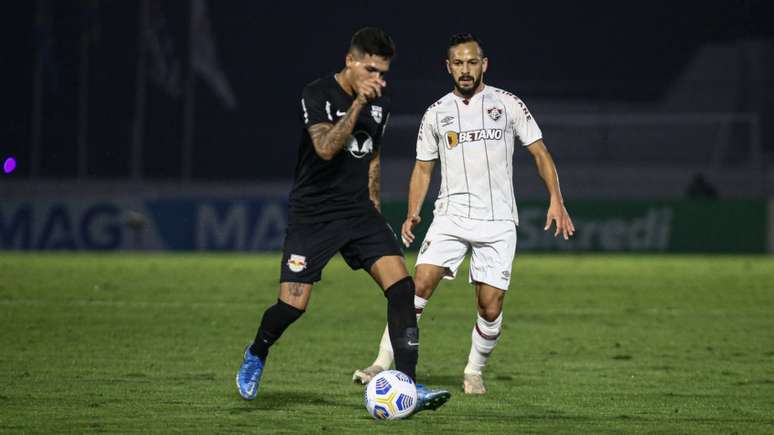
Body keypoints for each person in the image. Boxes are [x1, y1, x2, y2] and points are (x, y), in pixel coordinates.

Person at [236, 27, 450, 414]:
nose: (377, 80)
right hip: (313, 216)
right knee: (292, 306)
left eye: (383, 73)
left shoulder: (381, 105)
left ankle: (409, 385)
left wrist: (374, 207)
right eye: (370, 69)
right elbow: (324, 148)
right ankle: (256, 352)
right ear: (350, 61)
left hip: (358, 214)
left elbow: (372, 158)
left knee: (402, 287)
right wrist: (356, 107)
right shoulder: (317, 93)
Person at [352, 33, 575, 394]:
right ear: (448, 67)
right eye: (458, 63)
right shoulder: (436, 113)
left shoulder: (508, 104)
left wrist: (556, 199)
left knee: (490, 307)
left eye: (472, 62)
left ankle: (473, 370)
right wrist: (412, 214)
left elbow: (540, 152)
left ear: (484, 64)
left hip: (498, 220)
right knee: (415, 286)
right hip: (451, 217)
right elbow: (423, 168)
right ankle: (381, 362)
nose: (466, 70)